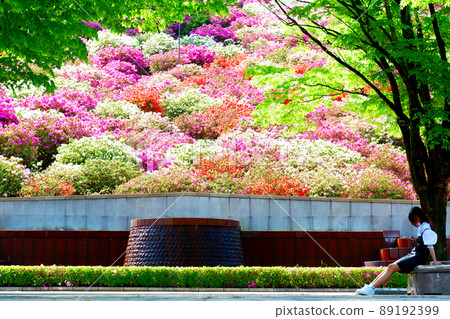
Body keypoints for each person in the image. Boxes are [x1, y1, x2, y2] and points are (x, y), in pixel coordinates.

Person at [356, 206, 445, 296]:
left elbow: (430, 246)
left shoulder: (426, 227)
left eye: (413, 220)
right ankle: (370, 287)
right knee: (391, 266)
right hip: (415, 254)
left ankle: (371, 288)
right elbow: (423, 242)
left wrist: (435, 261)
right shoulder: (423, 226)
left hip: (417, 257)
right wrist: (415, 240)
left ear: (417, 217)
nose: (413, 223)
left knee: (392, 267)